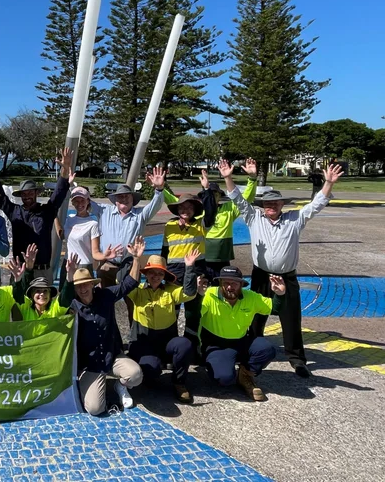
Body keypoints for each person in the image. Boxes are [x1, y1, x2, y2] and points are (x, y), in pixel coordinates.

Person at [219, 159, 343, 378]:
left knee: (291, 318)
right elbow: (237, 199)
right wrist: (228, 177)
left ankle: (297, 359)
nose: (271, 206)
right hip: (261, 276)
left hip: (286, 277)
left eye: (276, 203)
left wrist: (328, 183)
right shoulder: (253, 217)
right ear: (262, 206)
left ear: (282, 205)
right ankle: (249, 352)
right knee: (254, 316)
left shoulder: (295, 219)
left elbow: (316, 205)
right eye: (268, 203)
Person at [70, 237, 146, 415]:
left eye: (86, 284)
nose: (83, 289)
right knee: (95, 409)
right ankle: (94, 383)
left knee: (135, 375)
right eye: (78, 286)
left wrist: (136, 258)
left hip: (112, 357)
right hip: (90, 365)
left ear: (92, 284)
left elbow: (130, 283)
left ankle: (120, 386)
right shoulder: (71, 307)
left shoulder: (104, 295)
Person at [197, 266, 285, 401]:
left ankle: (245, 374)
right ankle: (223, 368)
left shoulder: (251, 297)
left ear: (241, 284)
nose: (229, 287)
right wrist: (197, 296)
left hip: (241, 341)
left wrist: (279, 294)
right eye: (225, 283)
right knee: (224, 378)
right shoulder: (209, 294)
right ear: (220, 283)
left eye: (234, 283)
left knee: (267, 349)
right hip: (216, 344)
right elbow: (195, 315)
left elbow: (274, 308)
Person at [0, 142, 72, 282]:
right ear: (20, 196)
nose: (27, 196)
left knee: (44, 304)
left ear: (36, 193)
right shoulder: (14, 211)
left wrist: (65, 168)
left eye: (30, 192)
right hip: (20, 270)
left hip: (42, 271)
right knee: (18, 303)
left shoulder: (47, 211)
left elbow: (60, 192)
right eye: (24, 193)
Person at [126, 252, 200, 404]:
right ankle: (153, 369)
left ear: (164, 276)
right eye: (152, 272)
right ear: (146, 273)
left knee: (184, 344)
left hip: (166, 341)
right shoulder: (137, 290)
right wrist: (135, 259)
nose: (156, 276)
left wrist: (190, 267)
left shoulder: (171, 290)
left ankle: (179, 382)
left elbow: (189, 293)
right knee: (150, 372)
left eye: (160, 273)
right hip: (145, 343)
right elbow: (124, 284)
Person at [88, 168, 167, 286]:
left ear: (132, 199)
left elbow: (155, 205)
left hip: (130, 265)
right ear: (115, 200)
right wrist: (69, 183)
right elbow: (84, 201)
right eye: (120, 196)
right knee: (105, 299)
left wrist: (159, 189)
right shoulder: (103, 210)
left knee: (132, 300)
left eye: (127, 196)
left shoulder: (141, 214)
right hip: (107, 264)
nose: (124, 199)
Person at [160, 191, 215, 348]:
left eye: (189, 207)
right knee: (172, 311)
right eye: (182, 207)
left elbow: (211, 214)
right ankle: (172, 345)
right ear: (177, 210)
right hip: (173, 274)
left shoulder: (200, 225)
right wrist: (163, 271)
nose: (185, 210)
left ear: (195, 210)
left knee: (193, 311)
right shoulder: (169, 225)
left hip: (195, 272)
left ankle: (192, 346)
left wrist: (207, 190)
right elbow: (164, 251)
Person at [198, 162, 257, 271]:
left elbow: (245, 199)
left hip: (222, 258)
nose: (213, 196)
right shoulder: (196, 210)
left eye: (215, 194)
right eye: (210, 194)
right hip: (202, 258)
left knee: (224, 287)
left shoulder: (229, 208)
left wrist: (252, 179)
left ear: (220, 196)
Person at [8, 245, 76, 321]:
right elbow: (18, 296)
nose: (42, 294)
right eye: (38, 291)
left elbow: (65, 299)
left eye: (45, 291)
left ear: (50, 295)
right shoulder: (26, 307)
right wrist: (18, 280)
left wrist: (69, 276)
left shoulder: (55, 308)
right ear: (32, 294)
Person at [62, 186, 120, 275]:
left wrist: (104, 256)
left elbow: (95, 252)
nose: (79, 204)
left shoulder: (93, 224)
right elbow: (61, 235)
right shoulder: (69, 219)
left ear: (88, 201)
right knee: (64, 289)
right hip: (67, 264)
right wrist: (54, 218)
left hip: (83, 266)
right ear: (72, 202)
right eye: (76, 201)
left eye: (82, 200)